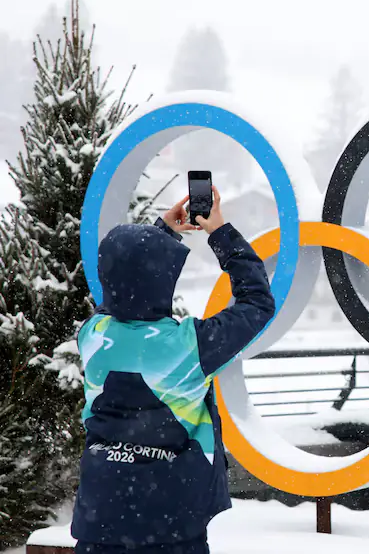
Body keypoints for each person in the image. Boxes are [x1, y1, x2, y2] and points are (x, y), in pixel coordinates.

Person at [71, 187, 275, 554]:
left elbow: (122, 287)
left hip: (99, 516)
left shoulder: (93, 335)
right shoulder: (189, 345)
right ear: (162, 281)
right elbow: (257, 302)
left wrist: (157, 235)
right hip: (172, 520)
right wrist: (221, 234)